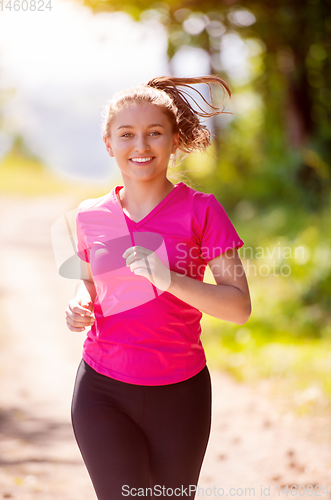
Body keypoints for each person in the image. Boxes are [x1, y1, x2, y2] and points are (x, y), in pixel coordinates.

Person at [65, 76, 252, 500]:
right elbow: (90, 279)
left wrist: (166, 277)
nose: (141, 145)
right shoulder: (91, 216)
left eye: (155, 133)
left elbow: (238, 307)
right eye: (127, 134)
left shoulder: (202, 211)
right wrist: (80, 301)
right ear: (109, 144)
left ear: (175, 140)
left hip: (180, 394)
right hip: (102, 388)